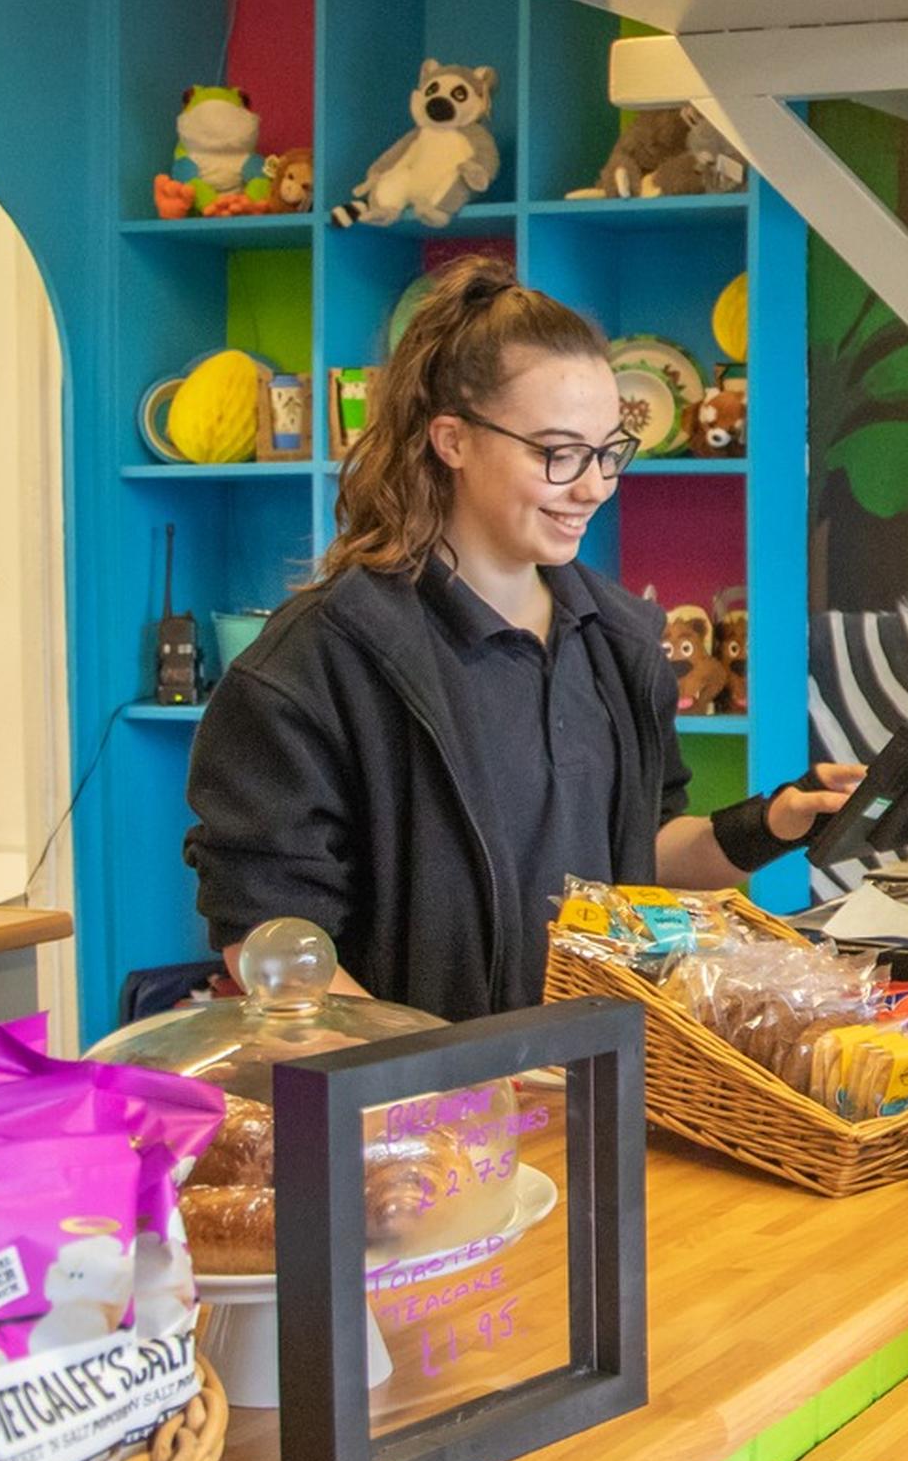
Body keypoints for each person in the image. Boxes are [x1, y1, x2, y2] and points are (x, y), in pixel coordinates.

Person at [187, 259, 856, 1019]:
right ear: (452, 440)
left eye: (608, 452)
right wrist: (437, 1089)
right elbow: (268, 944)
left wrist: (774, 822)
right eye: (557, 453)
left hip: (591, 1082)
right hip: (421, 1118)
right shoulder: (317, 662)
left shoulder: (619, 641)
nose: (593, 487)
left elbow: (641, 857)